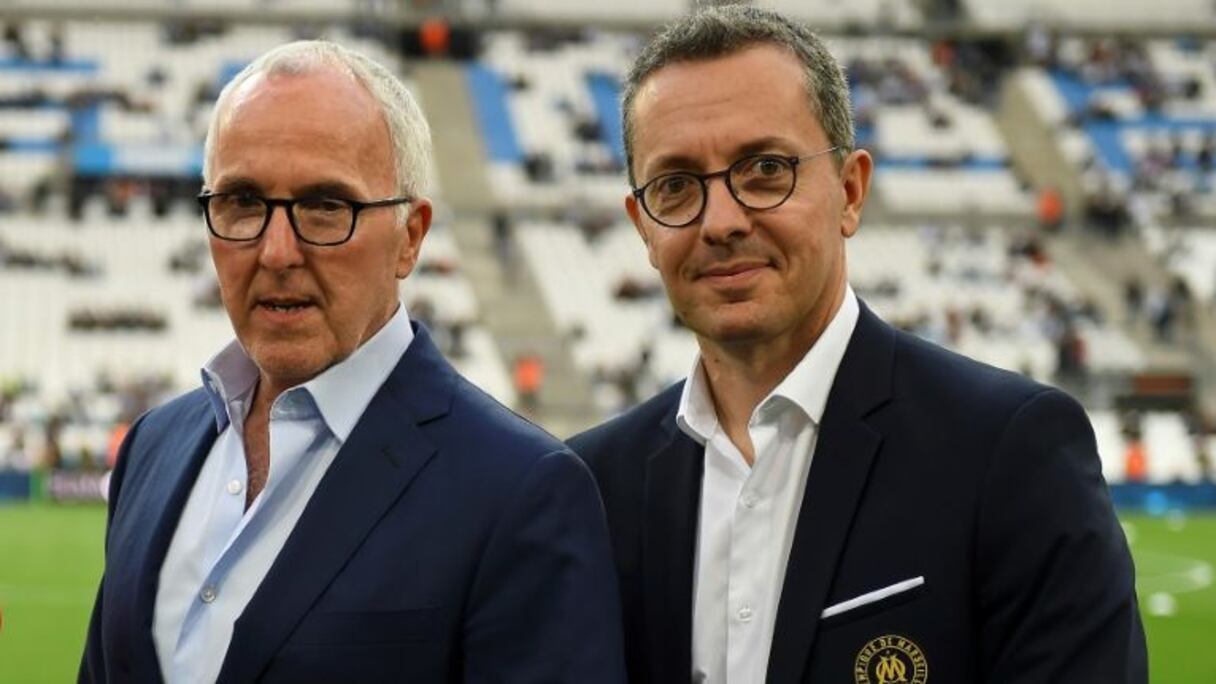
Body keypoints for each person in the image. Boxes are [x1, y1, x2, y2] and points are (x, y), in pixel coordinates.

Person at [567, 6, 1146, 683]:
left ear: (850, 190)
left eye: (764, 170)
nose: (720, 221)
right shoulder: (589, 487)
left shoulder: (1009, 453)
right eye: (675, 186)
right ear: (642, 223)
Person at [81, 41, 624, 683]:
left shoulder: (520, 490)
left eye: (325, 206)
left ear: (410, 237)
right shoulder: (154, 445)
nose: (276, 251)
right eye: (242, 203)